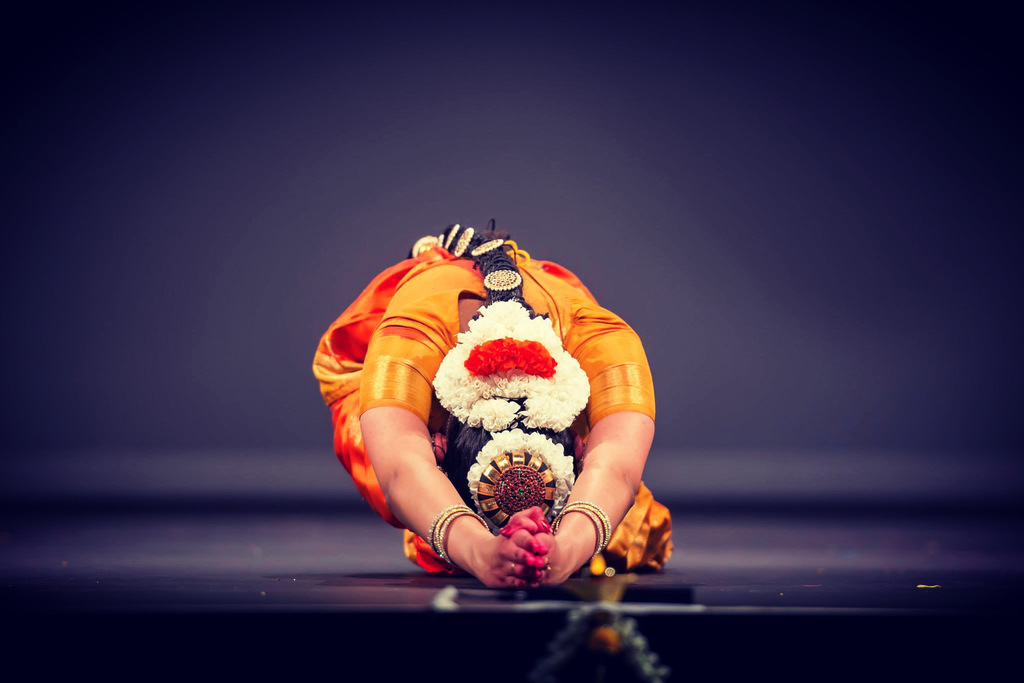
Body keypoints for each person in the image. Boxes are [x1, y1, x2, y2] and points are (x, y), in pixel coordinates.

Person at [313, 223, 672, 588]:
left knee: (630, 527)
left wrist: (566, 551)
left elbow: (617, 467)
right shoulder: (406, 337)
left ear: (582, 447)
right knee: (393, 471)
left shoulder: (603, 338)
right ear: (437, 447)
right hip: (377, 365)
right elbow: (400, 470)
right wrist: (480, 552)